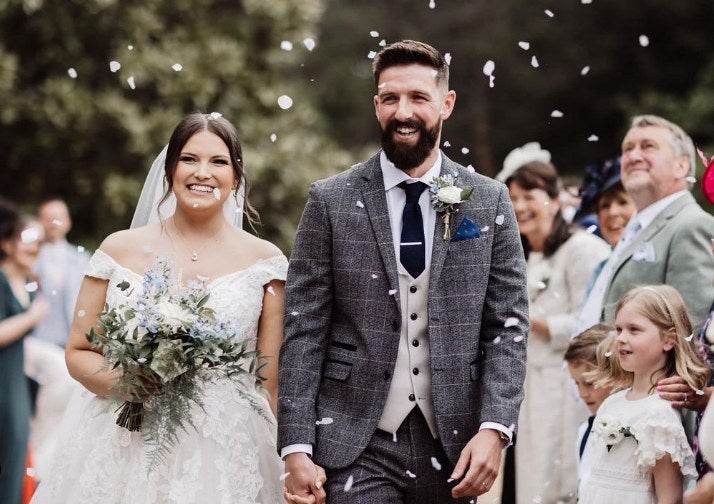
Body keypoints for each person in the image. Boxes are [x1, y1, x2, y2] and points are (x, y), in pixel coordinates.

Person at [279, 40, 529, 504]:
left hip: (453, 442)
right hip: (355, 441)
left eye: (418, 98)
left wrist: (495, 429)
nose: (403, 112)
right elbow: (303, 329)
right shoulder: (330, 201)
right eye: (390, 98)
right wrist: (296, 446)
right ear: (376, 105)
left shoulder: (489, 199)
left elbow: (507, 328)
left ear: (446, 104)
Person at [31, 113, 320, 503]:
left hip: (227, 449)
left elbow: (269, 382)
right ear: (169, 171)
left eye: (218, 162)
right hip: (124, 443)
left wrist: (292, 462)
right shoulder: (117, 250)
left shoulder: (266, 264)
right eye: (188, 159)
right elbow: (78, 351)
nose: (203, 172)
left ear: (236, 176)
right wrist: (133, 380)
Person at [505, 161, 611, 503]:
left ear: (552, 198)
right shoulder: (522, 256)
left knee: (562, 482)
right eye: (513, 198)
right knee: (533, 484)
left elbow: (593, 324)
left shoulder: (582, 249)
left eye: (529, 196)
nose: (520, 207)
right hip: (529, 389)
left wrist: (531, 318)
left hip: (567, 386)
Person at [578, 115, 714, 332]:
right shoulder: (635, 227)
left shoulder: (692, 225)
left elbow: (689, 332)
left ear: (681, 165)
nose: (633, 156)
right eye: (628, 149)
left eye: (648, 147)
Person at [580, 285, 710, 503]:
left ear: (669, 340)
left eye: (634, 329)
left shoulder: (659, 414)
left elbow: (670, 499)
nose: (621, 337)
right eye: (619, 329)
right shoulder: (611, 403)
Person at [0, 201, 49, 504]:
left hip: (15, 384)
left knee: (15, 464)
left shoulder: (30, 283)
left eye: (39, 242)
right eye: (28, 240)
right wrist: (31, 318)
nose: (35, 248)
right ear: (6, 243)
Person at [564, 324, 615, 500]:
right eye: (577, 383)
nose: (582, 394)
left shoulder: (636, 429)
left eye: (590, 383)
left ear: (616, 374)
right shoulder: (585, 430)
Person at [32, 198, 90, 348]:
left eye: (58, 218)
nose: (54, 223)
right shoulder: (28, 257)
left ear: (68, 222)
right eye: (48, 218)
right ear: (40, 221)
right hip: (37, 339)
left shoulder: (82, 259)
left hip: (73, 339)